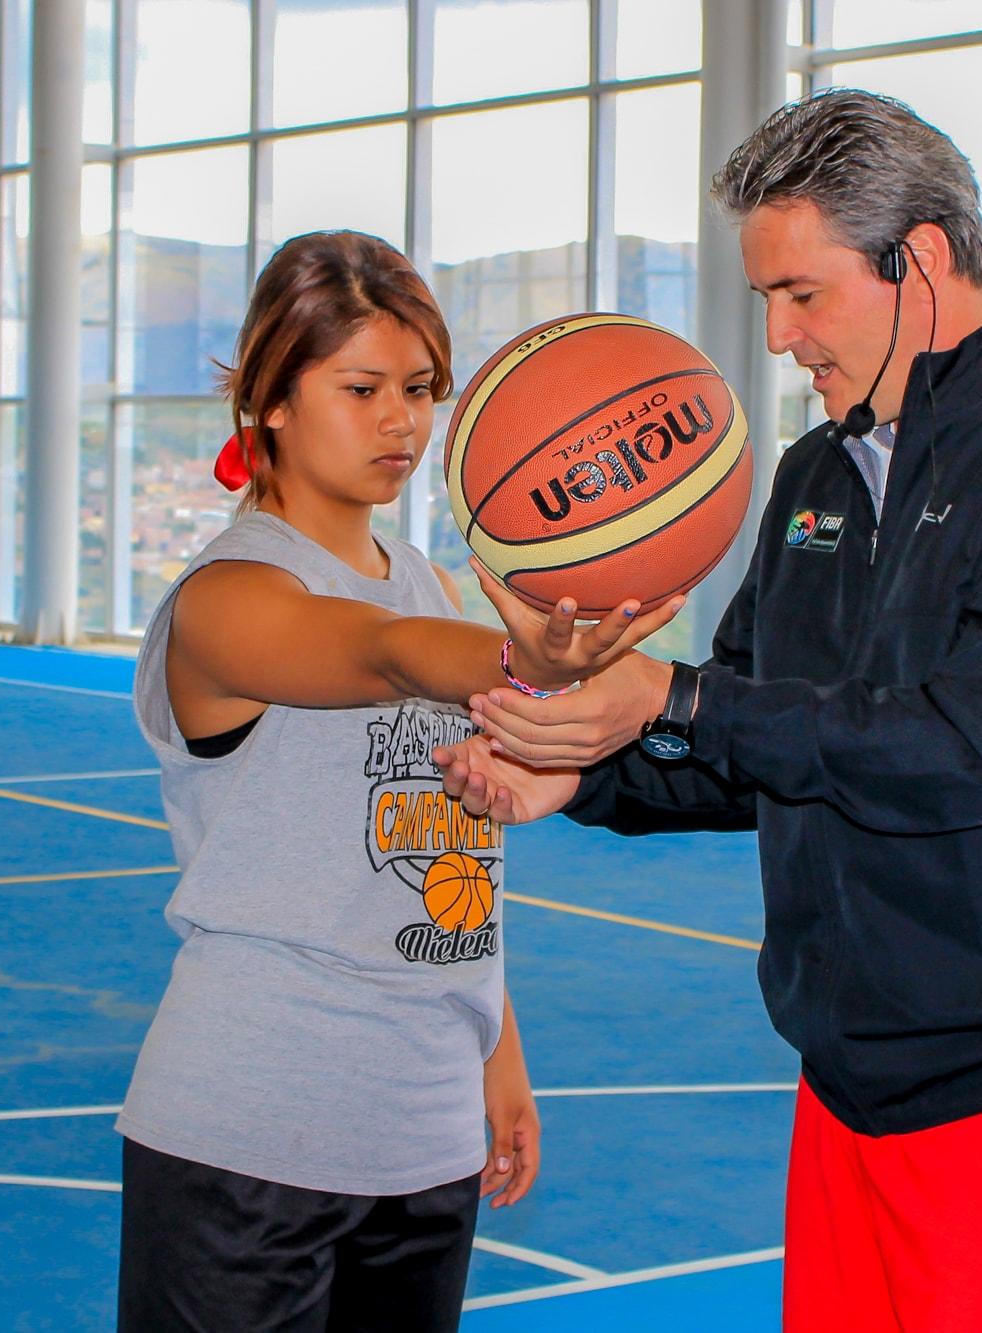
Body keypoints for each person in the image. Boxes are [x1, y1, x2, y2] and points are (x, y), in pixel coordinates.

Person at [434, 91, 982, 1332]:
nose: (782, 337)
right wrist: (582, 765)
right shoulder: (817, 473)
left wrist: (673, 693)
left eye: (803, 295)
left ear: (917, 257)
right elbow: (753, 748)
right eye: (765, 303)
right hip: (853, 1048)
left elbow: (968, 752)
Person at [116, 230, 680, 1331]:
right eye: (362, 387)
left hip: (420, 1126)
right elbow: (380, 653)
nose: (401, 422)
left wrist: (495, 1048)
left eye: (420, 389)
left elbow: (446, 851)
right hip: (250, 1130)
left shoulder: (420, 578)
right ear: (272, 398)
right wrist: (521, 659)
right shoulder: (230, 596)